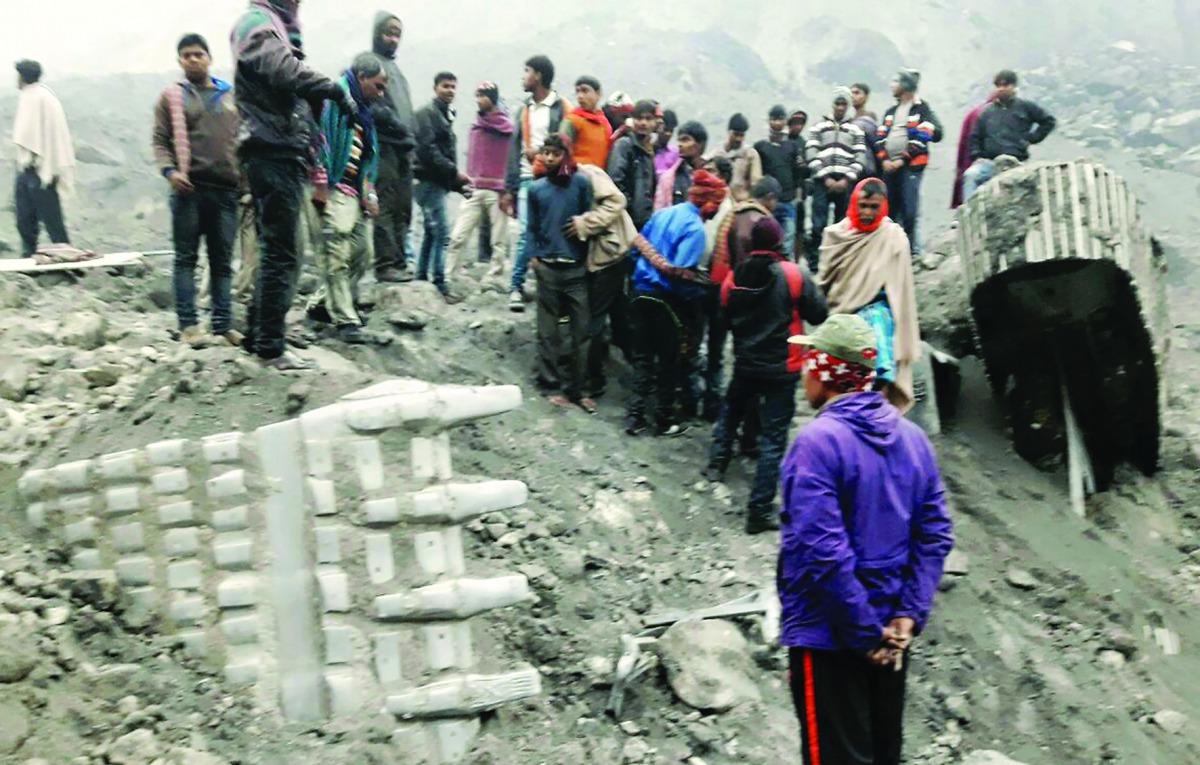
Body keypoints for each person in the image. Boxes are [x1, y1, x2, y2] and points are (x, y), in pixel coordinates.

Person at [778, 312, 953, 765]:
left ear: (824, 370)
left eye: (807, 360)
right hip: (890, 636)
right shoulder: (913, 439)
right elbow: (934, 534)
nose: (801, 372)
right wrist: (905, 618)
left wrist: (863, 634)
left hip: (830, 637)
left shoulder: (817, 443)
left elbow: (824, 552)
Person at [231, 0, 352, 371]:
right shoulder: (257, 23)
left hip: (278, 149)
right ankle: (270, 348)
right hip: (272, 149)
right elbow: (284, 71)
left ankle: (259, 337)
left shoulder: (271, 25)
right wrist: (330, 88)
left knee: (277, 250)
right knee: (284, 252)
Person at [706, 217, 828, 534]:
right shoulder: (792, 275)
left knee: (731, 412)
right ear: (778, 243)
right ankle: (759, 511)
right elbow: (819, 313)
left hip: (745, 364)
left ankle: (715, 466)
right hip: (782, 368)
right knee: (773, 438)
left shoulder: (734, 277)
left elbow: (724, 316)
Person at [152, 34, 242, 348]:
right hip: (189, 190)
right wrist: (171, 172)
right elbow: (161, 141)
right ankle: (189, 326)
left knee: (222, 262)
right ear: (179, 61)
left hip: (226, 192)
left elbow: (241, 140)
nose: (193, 59)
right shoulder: (172, 98)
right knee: (186, 260)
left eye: (198, 54)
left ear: (209, 58)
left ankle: (222, 325)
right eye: (186, 55)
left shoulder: (229, 96)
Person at [625, 169, 728, 437]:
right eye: (716, 205)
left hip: (639, 292)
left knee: (642, 357)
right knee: (667, 361)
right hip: (666, 300)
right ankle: (663, 419)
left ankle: (635, 418)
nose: (716, 211)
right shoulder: (695, 230)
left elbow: (637, 248)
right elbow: (680, 274)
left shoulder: (664, 213)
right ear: (707, 202)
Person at [817, 178, 921, 412]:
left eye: (874, 207)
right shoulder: (835, 237)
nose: (867, 212)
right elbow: (824, 284)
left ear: (883, 207)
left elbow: (901, 292)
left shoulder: (893, 237)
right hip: (841, 317)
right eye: (863, 205)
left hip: (879, 319)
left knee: (879, 368)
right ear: (854, 202)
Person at [304, 53, 387, 344]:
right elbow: (321, 140)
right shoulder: (335, 101)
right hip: (334, 185)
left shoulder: (363, 112)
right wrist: (321, 182)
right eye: (378, 85)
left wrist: (370, 191)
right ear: (362, 78)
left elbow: (368, 157)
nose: (381, 92)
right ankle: (345, 318)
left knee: (362, 253)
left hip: (354, 190)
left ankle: (320, 304)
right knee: (336, 253)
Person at [525, 134, 595, 412]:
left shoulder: (581, 183)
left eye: (556, 153)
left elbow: (588, 218)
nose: (551, 158)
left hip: (576, 267)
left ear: (566, 154)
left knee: (582, 331)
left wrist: (586, 258)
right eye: (546, 153)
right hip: (548, 267)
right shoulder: (536, 189)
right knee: (547, 330)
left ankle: (577, 388)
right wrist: (534, 257)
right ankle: (550, 385)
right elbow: (531, 227)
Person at [503, 55, 573, 313]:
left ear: (539, 76)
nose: (523, 76)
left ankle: (549, 288)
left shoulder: (561, 107)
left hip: (553, 179)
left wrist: (543, 155)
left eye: (527, 71)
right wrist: (508, 188)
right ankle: (516, 286)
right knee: (525, 232)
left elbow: (566, 143)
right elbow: (514, 150)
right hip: (526, 178)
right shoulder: (524, 109)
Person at [572, 162, 638, 401]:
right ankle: (641, 367)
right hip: (605, 255)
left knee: (595, 317)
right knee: (619, 313)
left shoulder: (588, 173)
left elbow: (616, 201)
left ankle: (594, 380)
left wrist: (586, 225)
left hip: (610, 254)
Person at [413, 72, 472, 304]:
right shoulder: (427, 113)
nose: (450, 90)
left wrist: (456, 184)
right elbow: (428, 152)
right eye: (445, 86)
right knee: (441, 232)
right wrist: (454, 174)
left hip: (435, 181)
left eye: (453, 87)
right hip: (427, 180)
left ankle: (420, 275)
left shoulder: (443, 114)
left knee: (431, 231)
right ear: (435, 87)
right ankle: (440, 283)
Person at [445, 82, 513, 279]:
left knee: (498, 239)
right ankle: (450, 275)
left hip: (497, 190)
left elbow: (511, 158)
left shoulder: (507, 128)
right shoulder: (476, 126)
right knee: (458, 235)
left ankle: (495, 276)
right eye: (477, 95)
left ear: (492, 98)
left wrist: (508, 189)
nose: (478, 99)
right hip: (474, 189)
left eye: (482, 95)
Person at [367, 12, 416, 283]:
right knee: (385, 204)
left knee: (402, 206)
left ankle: (398, 261)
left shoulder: (396, 70)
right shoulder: (371, 64)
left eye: (397, 34)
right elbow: (374, 107)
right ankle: (385, 264)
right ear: (377, 33)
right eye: (388, 32)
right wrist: (396, 126)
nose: (393, 39)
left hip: (403, 149)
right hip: (383, 145)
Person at [962, 70, 1057, 203]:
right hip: (990, 163)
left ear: (1013, 86)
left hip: (1016, 162)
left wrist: (1032, 138)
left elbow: (1048, 121)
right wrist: (976, 156)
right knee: (971, 175)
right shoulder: (987, 113)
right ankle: (969, 211)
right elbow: (975, 136)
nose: (1001, 89)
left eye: (1005, 85)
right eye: (998, 86)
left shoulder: (1025, 107)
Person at [12, 59, 75, 257]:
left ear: (22, 76)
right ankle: (28, 255)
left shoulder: (38, 97)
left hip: (41, 169)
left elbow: (30, 134)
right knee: (24, 218)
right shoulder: (33, 96)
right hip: (28, 169)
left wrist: (45, 164)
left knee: (51, 218)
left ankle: (68, 255)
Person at [876, 68, 942, 257]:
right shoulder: (890, 112)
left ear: (905, 85)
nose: (891, 85)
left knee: (909, 208)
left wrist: (902, 159)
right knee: (889, 209)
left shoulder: (921, 109)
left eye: (895, 81)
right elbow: (880, 136)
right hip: (889, 167)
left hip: (911, 166)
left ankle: (911, 250)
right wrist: (884, 158)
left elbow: (924, 136)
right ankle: (890, 251)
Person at [806, 87, 867, 272]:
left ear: (847, 106)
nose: (840, 108)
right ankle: (815, 266)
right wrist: (824, 176)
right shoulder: (818, 127)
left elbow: (861, 156)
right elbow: (811, 152)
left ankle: (839, 264)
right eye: (837, 103)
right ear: (832, 105)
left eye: (843, 104)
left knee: (843, 224)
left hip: (845, 184)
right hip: (822, 183)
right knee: (818, 225)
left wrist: (847, 179)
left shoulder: (855, 130)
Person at [754, 105, 804, 259]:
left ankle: (787, 272)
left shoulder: (793, 146)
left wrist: (798, 195)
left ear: (785, 121)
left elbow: (798, 173)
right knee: (766, 239)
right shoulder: (761, 147)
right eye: (774, 119)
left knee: (788, 240)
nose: (777, 123)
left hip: (788, 201)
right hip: (767, 203)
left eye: (780, 119)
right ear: (769, 121)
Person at [606, 99, 658, 232]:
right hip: (625, 222)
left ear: (655, 123)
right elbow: (615, 180)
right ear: (632, 120)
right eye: (639, 118)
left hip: (643, 224)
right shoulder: (624, 145)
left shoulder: (649, 151)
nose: (643, 123)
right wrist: (629, 209)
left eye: (648, 119)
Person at [951, 90, 998, 209]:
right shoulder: (1003, 114)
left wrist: (960, 169)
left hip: (974, 163)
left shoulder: (974, 113)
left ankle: (968, 213)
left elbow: (964, 143)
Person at [707, 113, 762, 202]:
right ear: (729, 132)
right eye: (735, 134)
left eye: (742, 135)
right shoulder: (717, 153)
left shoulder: (750, 155)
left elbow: (756, 183)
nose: (738, 139)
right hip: (719, 203)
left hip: (741, 203)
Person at [655, 120, 709, 210]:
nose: (680, 145)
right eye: (679, 140)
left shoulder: (711, 176)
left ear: (700, 144)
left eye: (685, 140)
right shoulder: (669, 178)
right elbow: (660, 212)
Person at [561, 76, 611, 168]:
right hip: (577, 176)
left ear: (598, 93)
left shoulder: (604, 123)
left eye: (585, 91)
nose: (580, 96)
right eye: (577, 91)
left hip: (599, 177)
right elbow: (561, 151)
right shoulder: (572, 120)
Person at [850, 83, 879, 179]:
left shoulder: (869, 119)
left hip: (867, 169)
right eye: (852, 93)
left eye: (857, 93)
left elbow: (876, 143)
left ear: (866, 97)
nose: (853, 96)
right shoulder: (849, 121)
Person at [654, 109, 680, 176]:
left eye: (671, 131)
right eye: (665, 129)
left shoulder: (676, 153)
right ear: (657, 128)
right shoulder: (648, 151)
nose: (668, 134)